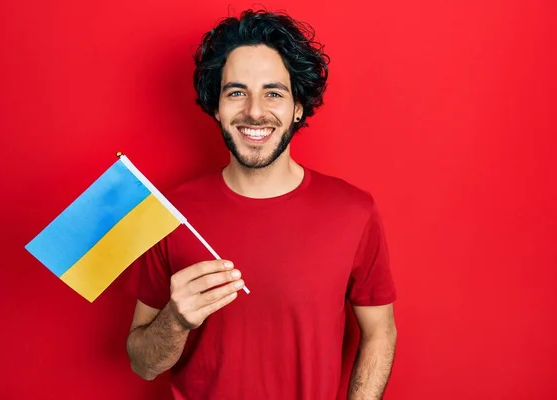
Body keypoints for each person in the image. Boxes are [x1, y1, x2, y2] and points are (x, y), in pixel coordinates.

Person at [126, 8, 397, 400]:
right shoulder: (170, 214)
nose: (255, 111)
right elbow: (142, 364)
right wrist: (176, 320)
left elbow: (380, 331)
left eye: (273, 93)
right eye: (236, 92)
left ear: (297, 107)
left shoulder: (354, 212)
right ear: (216, 107)